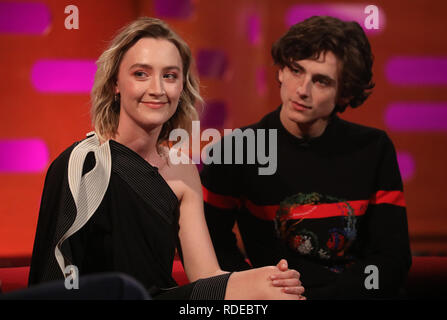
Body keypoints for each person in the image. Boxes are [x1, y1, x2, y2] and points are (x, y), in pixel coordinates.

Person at [28, 17, 305, 300]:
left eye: (170, 76)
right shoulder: (82, 163)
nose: (158, 89)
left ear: (182, 86)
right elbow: (52, 277)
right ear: (115, 84)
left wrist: (266, 279)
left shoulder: (183, 169)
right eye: (141, 74)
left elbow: (206, 276)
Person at [202, 16, 412, 299]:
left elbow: (392, 259)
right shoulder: (234, 151)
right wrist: (255, 289)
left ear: (345, 93)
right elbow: (211, 249)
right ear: (280, 72)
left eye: (321, 81)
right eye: (296, 70)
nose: (302, 90)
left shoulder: (374, 149)